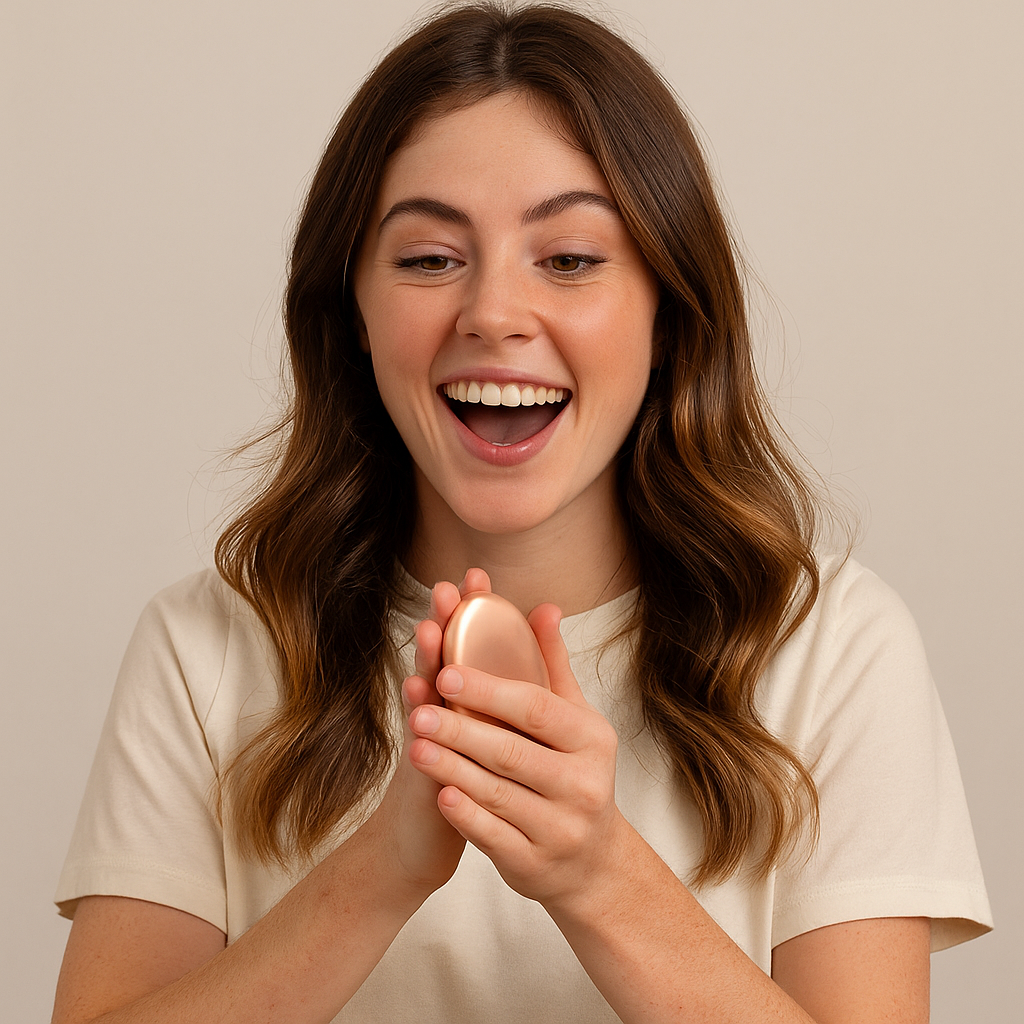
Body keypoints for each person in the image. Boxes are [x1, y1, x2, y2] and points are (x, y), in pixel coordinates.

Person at [51, 4, 991, 1022]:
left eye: (571, 259)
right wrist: (381, 870)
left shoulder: (834, 650)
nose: (493, 313)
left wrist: (599, 875)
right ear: (353, 312)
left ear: (669, 311)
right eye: (426, 259)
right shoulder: (207, 647)